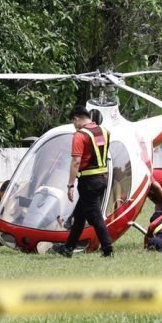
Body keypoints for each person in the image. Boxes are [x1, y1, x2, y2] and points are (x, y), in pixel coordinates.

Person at [53, 105, 113, 258]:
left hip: (88, 181)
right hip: (102, 179)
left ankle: (108, 249)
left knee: (95, 216)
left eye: (73, 122)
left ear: (77, 118)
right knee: (79, 215)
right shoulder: (103, 132)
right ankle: (68, 248)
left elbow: (75, 162)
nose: (74, 125)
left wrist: (70, 185)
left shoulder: (80, 135)